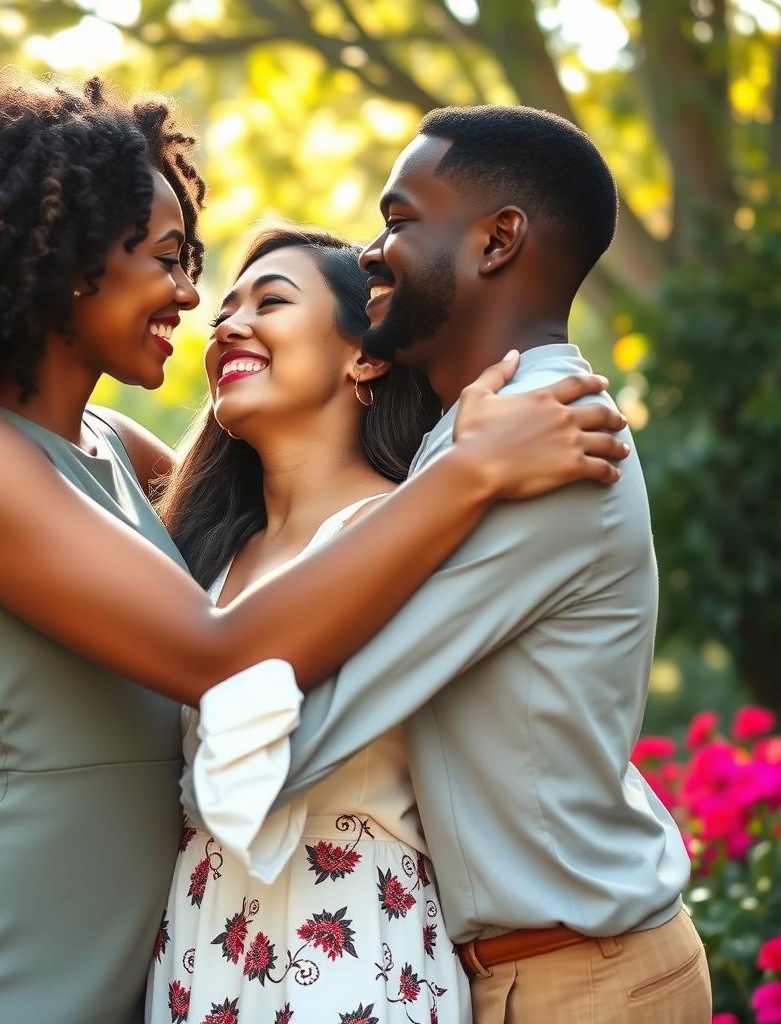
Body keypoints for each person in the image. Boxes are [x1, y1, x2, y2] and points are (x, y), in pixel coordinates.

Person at [0, 67, 628, 1024]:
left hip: (155, 962)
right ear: (68, 262)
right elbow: (216, 652)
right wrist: (468, 474)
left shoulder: (116, 451)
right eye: (167, 259)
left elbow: (270, 520)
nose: (192, 296)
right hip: (5, 949)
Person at [181, 106, 712, 1023]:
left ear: (497, 240)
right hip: (532, 965)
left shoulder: (546, 441)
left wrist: (83, 762)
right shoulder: (476, 442)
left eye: (399, 220)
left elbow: (302, 740)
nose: (375, 252)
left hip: (584, 976)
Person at [147, 227, 471, 1022]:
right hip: (197, 949)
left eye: (272, 302)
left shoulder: (414, 531)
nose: (228, 326)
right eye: (223, 311)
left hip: (355, 947)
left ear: (365, 356)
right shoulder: (191, 558)